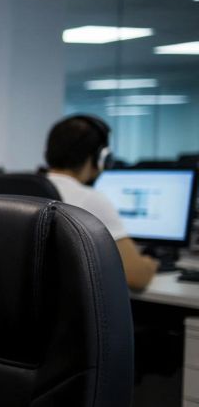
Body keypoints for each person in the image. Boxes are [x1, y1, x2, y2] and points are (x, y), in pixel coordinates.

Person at [44, 114, 157, 291]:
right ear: (100, 158)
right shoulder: (89, 199)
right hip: (70, 314)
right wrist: (150, 263)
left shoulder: (23, 192)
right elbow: (137, 277)